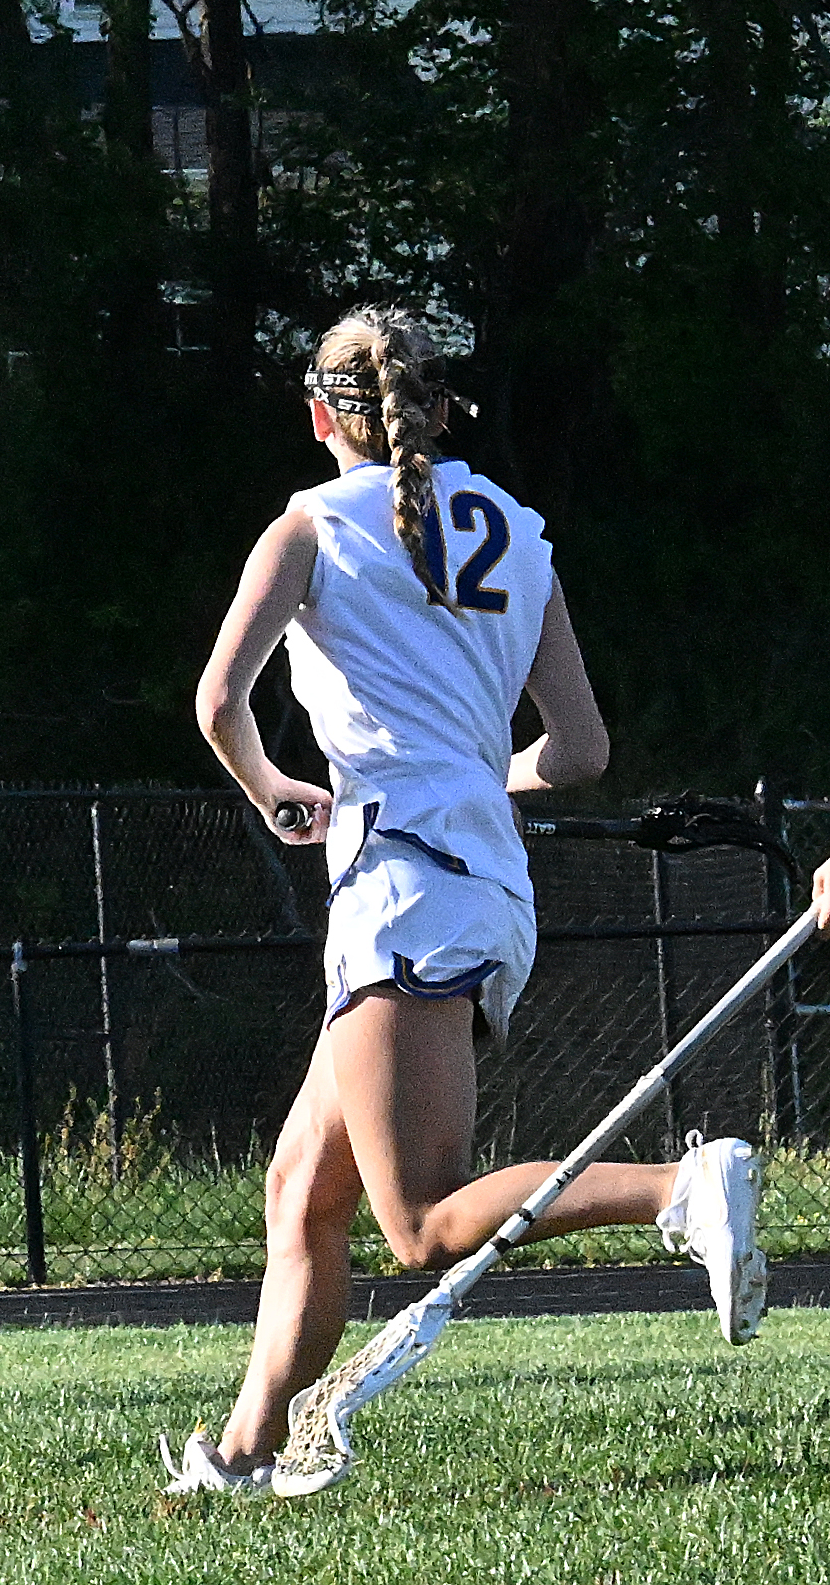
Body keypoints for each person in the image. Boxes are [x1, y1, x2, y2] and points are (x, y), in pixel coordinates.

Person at [168, 305, 767, 1493]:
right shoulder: (523, 533)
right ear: (443, 408)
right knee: (303, 1187)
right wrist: (475, 779)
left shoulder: (306, 528)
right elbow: (581, 747)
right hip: (477, 880)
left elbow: (217, 703)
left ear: (316, 412)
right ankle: (240, 1451)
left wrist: (280, 788)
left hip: (402, 889)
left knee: (422, 1220)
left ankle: (678, 1187)